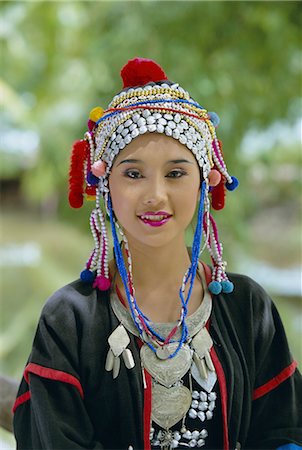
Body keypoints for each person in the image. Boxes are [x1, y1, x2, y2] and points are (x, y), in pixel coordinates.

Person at [13, 57, 302, 450]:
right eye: (133, 174)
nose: (155, 195)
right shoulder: (68, 320)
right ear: (105, 186)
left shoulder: (248, 307)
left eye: (176, 173)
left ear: (204, 183)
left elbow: (283, 431)